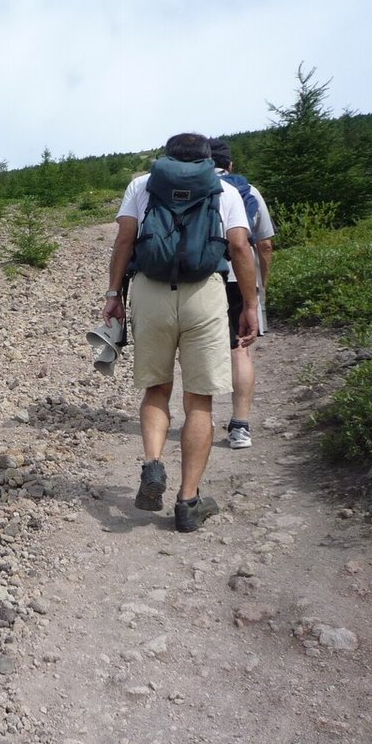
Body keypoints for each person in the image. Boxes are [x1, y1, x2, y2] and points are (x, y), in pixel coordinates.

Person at [101, 133, 259, 532]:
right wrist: (251, 305)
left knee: (156, 388)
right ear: (208, 159)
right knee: (199, 401)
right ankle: (188, 501)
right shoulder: (224, 188)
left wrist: (113, 295)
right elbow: (240, 247)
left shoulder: (142, 184)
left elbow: (124, 239)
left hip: (150, 292)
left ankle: (153, 463)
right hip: (204, 293)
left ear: (166, 156)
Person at [209, 139, 275, 450]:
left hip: (202, 276)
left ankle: (199, 421)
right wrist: (260, 287)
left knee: (201, 349)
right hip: (239, 277)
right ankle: (240, 427)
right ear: (230, 165)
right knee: (240, 350)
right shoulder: (247, 191)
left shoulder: (197, 188)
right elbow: (263, 245)